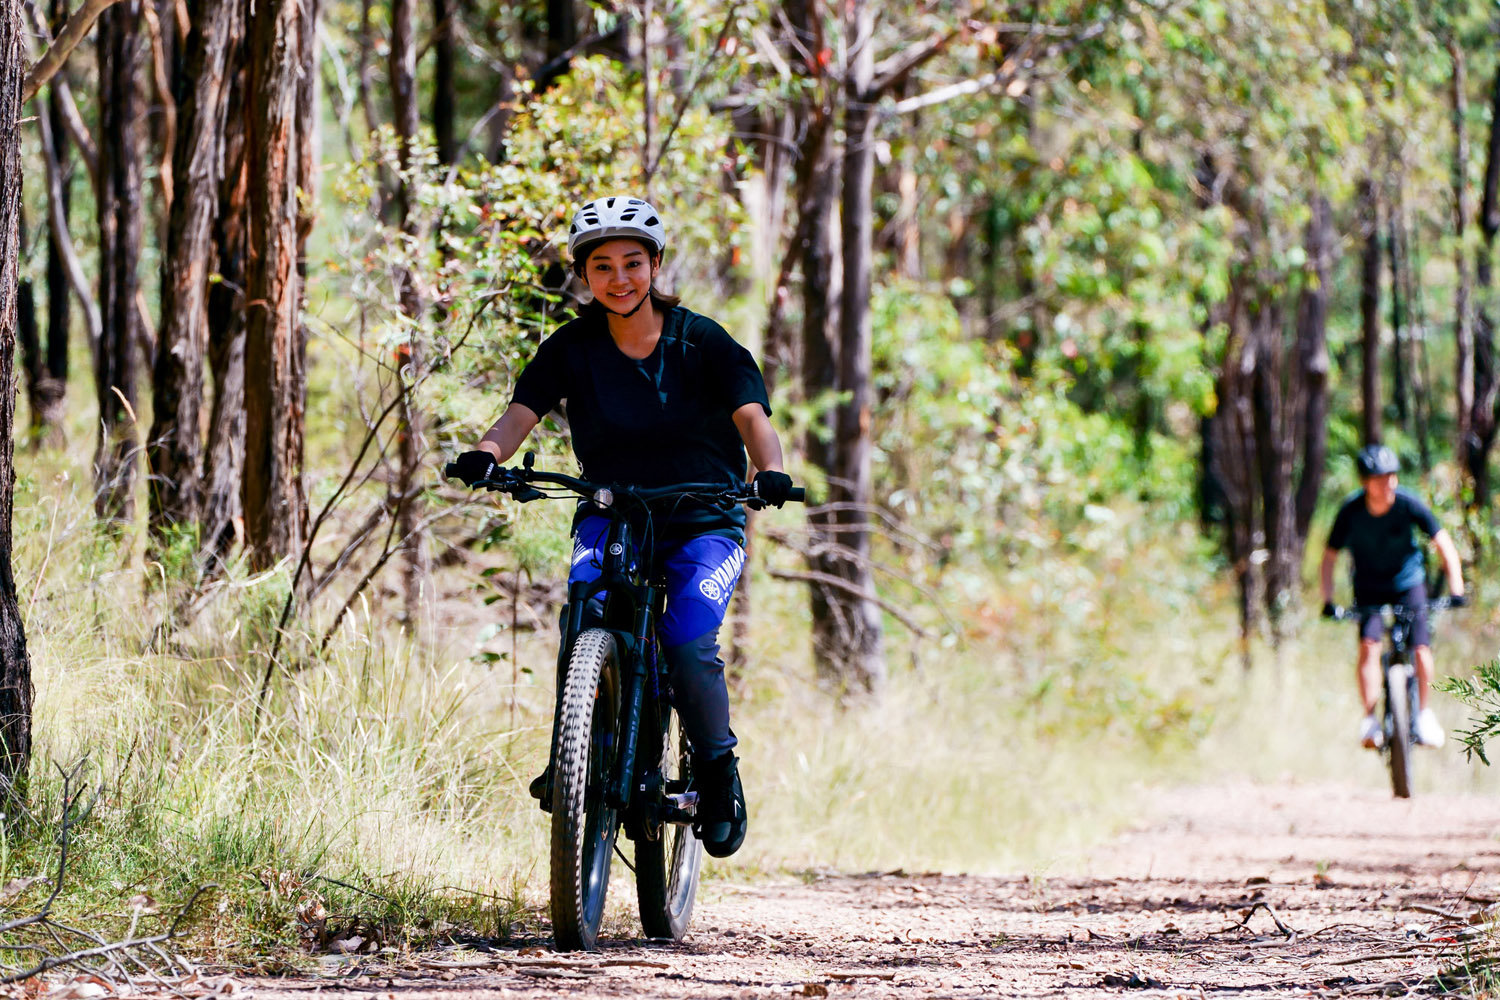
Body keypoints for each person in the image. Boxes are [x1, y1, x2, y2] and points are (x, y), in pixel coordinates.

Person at [449, 195, 793, 859]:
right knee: (585, 610)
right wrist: (488, 455)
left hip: (703, 517)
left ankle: (718, 770)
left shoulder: (703, 340)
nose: (619, 278)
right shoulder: (572, 347)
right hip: (610, 509)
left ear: (656, 264)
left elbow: (753, 416)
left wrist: (769, 470)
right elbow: (522, 411)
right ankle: (575, 758)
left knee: (687, 639)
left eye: (632, 263)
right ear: (584, 275)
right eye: (601, 266)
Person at [1319, 444, 1466, 750]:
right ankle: (1370, 719)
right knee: (1369, 646)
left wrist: (1457, 589)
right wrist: (1328, 600)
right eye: (1379, 478)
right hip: (1369, 585)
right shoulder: (1351, 511)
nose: (1388, 483)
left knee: (1421, 647)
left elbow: (1442, 542)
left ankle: (1424, 715)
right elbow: (1330, 557)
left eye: (1391, 476)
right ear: (1365, 483)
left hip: (1407, 582)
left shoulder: (1408, 504)